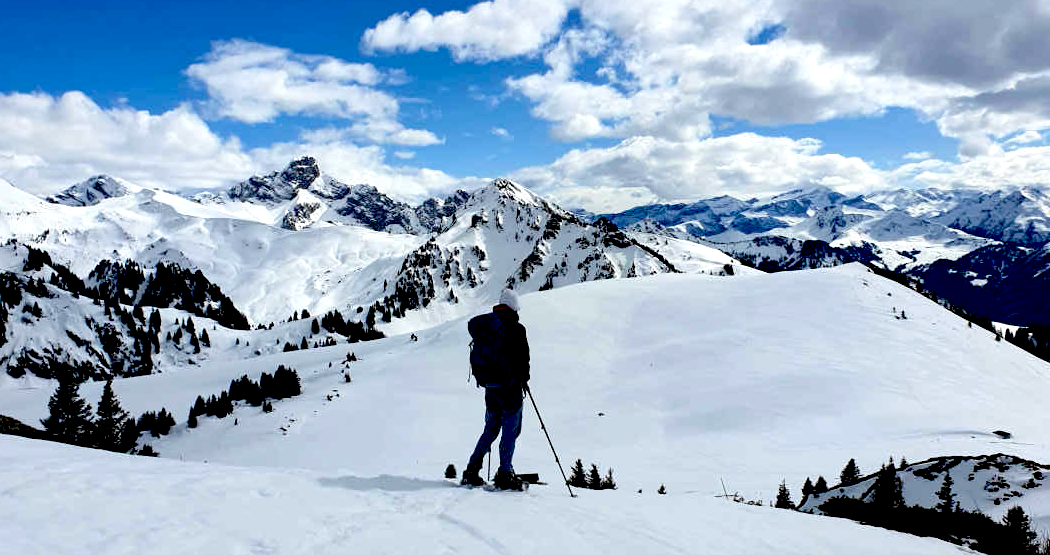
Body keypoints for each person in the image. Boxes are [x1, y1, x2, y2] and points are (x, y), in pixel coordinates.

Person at [461, 288, 530, 490]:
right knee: (510, 432)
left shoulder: (487, 325)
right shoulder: (516, 328)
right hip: (510, 388)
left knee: (490, 429)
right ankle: (505, 473)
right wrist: (523, 379)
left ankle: (472, 470)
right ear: (514, 306)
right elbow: (523, 359)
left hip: (490, 387)